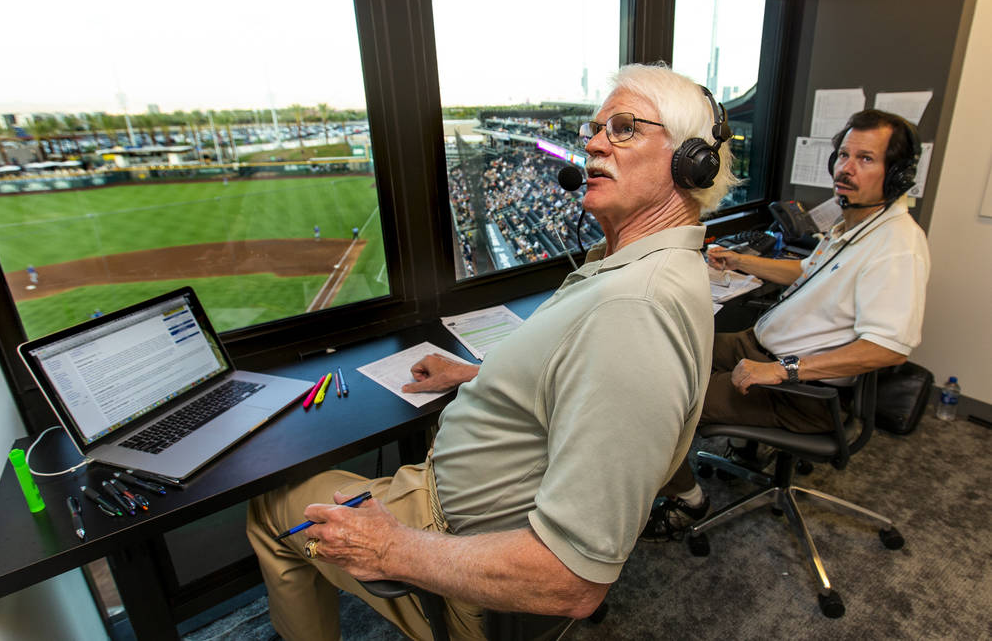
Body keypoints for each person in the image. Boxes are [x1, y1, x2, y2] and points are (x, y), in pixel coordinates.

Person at [246, 63, 737, 640]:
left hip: (448, 529)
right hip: (453, 499)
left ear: (690, 160)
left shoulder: (634, 309)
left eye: (625, 128)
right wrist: (479, 374)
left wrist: (394, 549)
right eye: (595, 128)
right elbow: (581, 384)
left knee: (272, 511)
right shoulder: (645, 270)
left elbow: (570, 580)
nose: (595, 143)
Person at [643, 108, 930, 540]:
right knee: (659, 352)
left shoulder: (898, 247)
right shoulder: (855, 221)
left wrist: (782, 370)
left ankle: (688, 499)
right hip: (756, 344)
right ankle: (731, 444)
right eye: (843, 155)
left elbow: (888, 348)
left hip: (798, 390)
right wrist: (741, 260)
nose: (845, 169)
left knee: (653, 405)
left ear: (897, 175)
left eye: (866, 159)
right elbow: (808, 271)